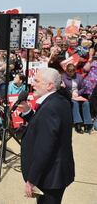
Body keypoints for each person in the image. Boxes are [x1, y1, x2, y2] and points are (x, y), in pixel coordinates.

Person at [19, 68, 75, 204]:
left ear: (49, 85)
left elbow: (44, 148)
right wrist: (28, 113)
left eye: (37, 81)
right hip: (54, 172)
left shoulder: (50, 107)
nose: (32, 83)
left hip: (50, 176)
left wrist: (32, 180)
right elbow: (44, 127)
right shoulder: (58, 100)